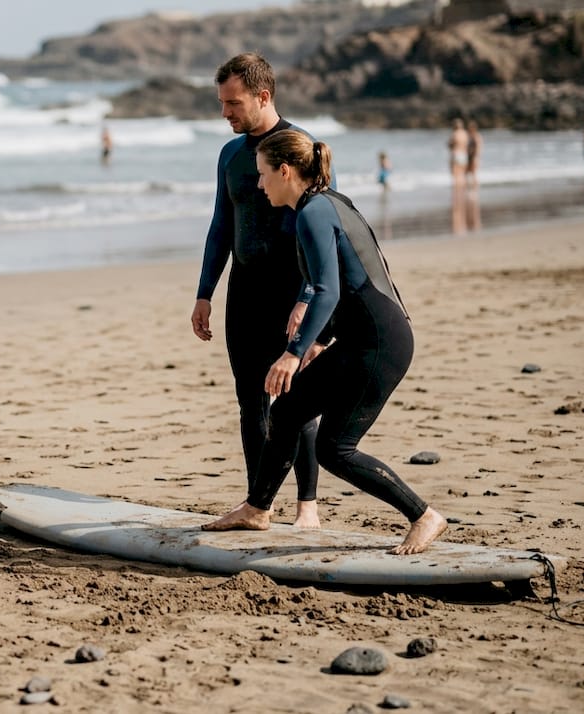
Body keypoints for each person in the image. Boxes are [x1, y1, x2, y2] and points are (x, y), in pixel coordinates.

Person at [203, 130, 447, 555]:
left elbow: (326, 290)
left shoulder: (312, 213)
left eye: (263, 175)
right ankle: (257, 508)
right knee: (288, 413)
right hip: (370, 335)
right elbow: (362, 276)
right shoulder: (332, 202)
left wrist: (293, 353)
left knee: (337, 448)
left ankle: (424, 516)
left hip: (378, 343)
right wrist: (323, 339)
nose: (258, 186)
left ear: (284, 171)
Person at [191, 52, 321, 528]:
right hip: (244, 294)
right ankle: (257, 506)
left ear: (262, 96)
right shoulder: (229, 155)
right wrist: (205, 293)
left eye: (233, 103)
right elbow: (220, 227)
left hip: (292, 295)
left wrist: (309, 299)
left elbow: (321, 233)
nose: (225, 112)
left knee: (298, 400)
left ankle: (307, 506)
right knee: (252, 402)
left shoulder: (301, 148)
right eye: (222, 103)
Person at [448, 118, 469, 234]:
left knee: (455, 177)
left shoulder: (454, 134)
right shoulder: (465, 134)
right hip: (464, 155)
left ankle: (456, 197)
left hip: (456, 154)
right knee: (462, 176)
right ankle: (463, 195)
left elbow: (450, 145)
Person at [465, 120, 483, 230]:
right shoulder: (470, 136)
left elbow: (477, 148)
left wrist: (474, 156)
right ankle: (471, 189)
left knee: (474, 174)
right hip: (471, 157)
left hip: (474, 158)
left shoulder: (477, 136)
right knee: (470, 174)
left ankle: (474, 190)